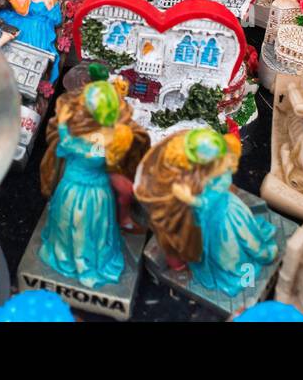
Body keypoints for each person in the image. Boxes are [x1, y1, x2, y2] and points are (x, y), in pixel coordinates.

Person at [38, 70, 150, 288]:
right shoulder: (102, 136)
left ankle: (81, 262)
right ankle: (78, 260)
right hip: (84, 189)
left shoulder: (92, 137)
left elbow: (85, 153)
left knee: (83, 227)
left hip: (84, 190)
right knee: (77, 226)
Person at [135, 127, 277, 297]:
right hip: (212, 223)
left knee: (240, 241)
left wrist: (190, 198)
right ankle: (243, 264)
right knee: (227, 250)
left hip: (227, 216)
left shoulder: (216, 176)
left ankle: (251, 261)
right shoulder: (194, 183)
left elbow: (213, 194)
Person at [0, 0, 63, 82]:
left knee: (31, 52)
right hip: (23, 22)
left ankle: (23, 76)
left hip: (40, 28)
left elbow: (57, 19)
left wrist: (48, 5)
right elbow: (21, 10)